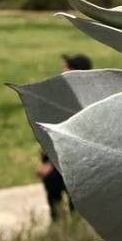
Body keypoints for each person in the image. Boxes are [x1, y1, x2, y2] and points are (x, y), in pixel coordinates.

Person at [36, 53, 92, 220]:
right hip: (61, 163)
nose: (63, 70)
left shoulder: (81, 100)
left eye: (68, 68)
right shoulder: (65, 95)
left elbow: (73, 139)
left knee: (73, 212)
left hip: (69, 166)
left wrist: (50, 165)